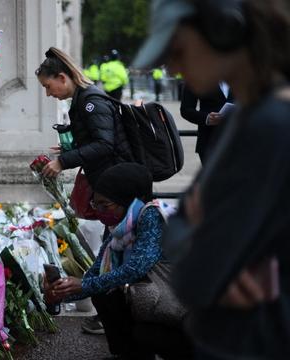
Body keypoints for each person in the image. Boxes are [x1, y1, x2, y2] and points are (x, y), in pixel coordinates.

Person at [134, 0, 290, 358]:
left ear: (225, 31)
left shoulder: (269, 126)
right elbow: (179, 241)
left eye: (178, 49)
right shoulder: (249, 120)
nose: (172, 67)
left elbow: (195, 273)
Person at [45, 163, 191, 359]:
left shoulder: (152, 215)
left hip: (186, 314)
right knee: (104, 293)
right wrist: (60, 294)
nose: (99, 211)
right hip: (159, 308)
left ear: (128, 200)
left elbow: (136, 268)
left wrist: (82, 285)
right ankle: (127, 354)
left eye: (105, 205)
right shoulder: (120, 228)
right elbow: (96, 274)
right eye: (96, 205)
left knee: (143, 329)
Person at [35, 47, 133, 187]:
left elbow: (104, 145)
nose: (47, 93)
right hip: (109, 177)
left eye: (48, 86)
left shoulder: (91, 102)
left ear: (62, 78)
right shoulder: (82, 99)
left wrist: (62, 161)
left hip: (117, 181)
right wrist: (74, 147)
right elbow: (97, 138)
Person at [179, 82, 233, 164]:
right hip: (209, 141)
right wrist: (207, 118)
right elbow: (185, 110)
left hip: (239, 141)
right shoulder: (196, 76)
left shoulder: (240, 74)